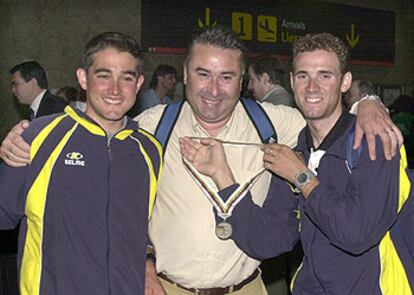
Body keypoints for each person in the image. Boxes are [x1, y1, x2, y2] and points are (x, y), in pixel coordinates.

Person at [0, 27, 402, 295]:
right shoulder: (149, 129)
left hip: (247, 287)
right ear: (185, 76)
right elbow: (119, 202)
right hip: (167, 288)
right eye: (203, 74)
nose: (214, 89)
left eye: (227, 76)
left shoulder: (280, 124)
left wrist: (368, 103)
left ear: (242, 81)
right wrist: (24, 137)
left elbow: (326, 113)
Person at [180, 32, 413, 295]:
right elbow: (271, 239)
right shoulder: (296, 152)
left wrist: (302, 178)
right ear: (292, 81)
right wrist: (223, 177)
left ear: (345, 81)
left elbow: (357, 235)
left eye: (325, 75)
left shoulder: (375, 142)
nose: (312, 87)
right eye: (303, 76)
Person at [0, 31, 162, 294]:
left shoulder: (149, 150)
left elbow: (142, 229)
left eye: (127, 77)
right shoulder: (39, 137)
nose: (115, 89)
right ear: (83, 78)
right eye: (103, 75)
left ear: (139, 83)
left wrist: (148, 263)